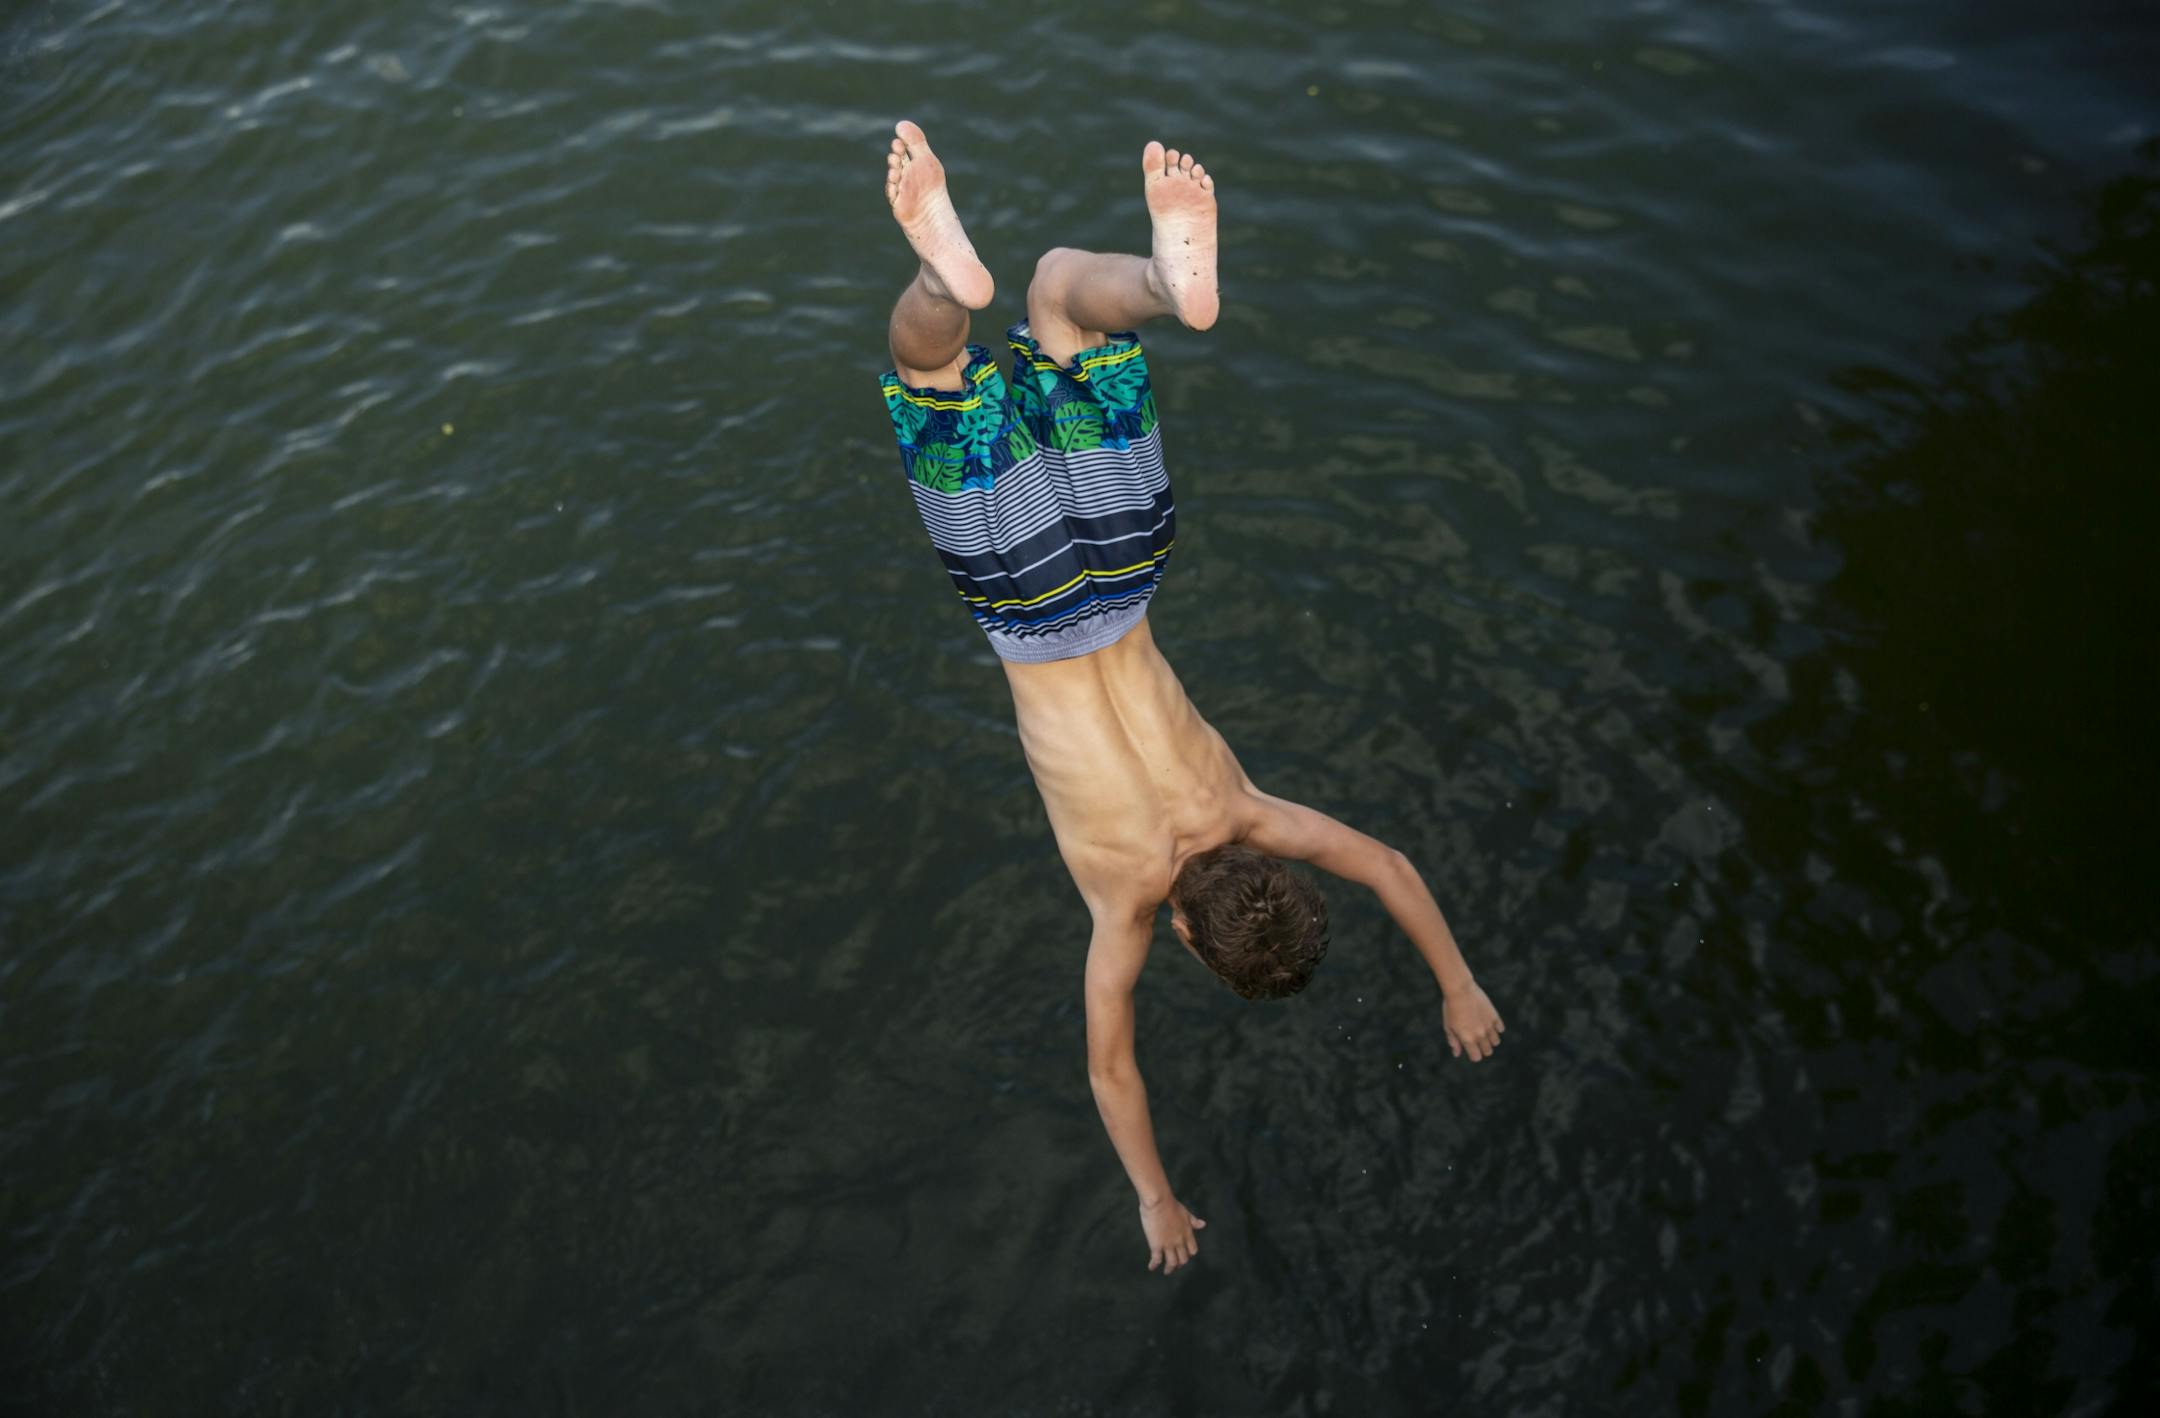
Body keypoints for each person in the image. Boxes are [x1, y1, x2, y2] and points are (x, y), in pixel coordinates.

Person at [875, 120, 1505, 1277]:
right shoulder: (1123, 907)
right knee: (932, 371)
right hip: (1028, 599)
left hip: (1128, 560)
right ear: (1185, 930)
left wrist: (1459, 981)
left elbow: (1388, 865)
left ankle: (1164, 285)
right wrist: (1158, 1200)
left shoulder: (1254, 811)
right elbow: (1113, 1070)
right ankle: (932, 279)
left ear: (1271, 873)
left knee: (1062, 301)